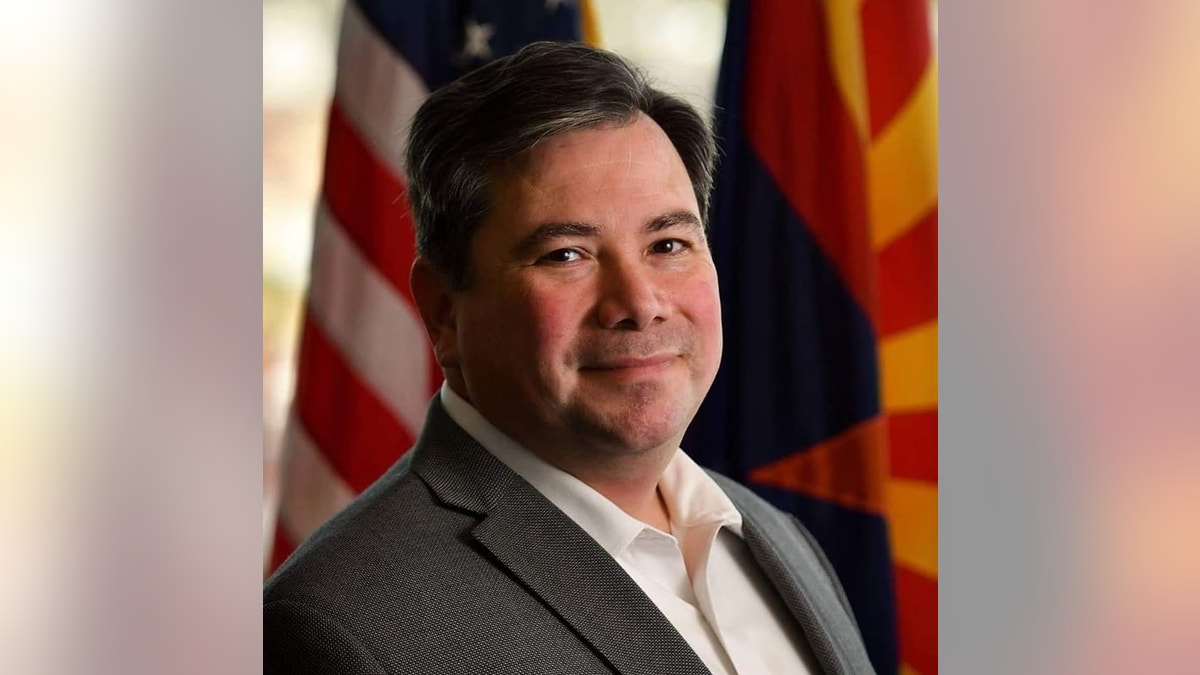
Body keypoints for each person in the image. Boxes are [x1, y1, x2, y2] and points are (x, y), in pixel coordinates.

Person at [264, 41, 874, 675]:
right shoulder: (345, 630)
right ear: (444, 311)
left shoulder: (776, 539)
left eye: (667, 243)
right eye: (565, 255)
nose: (639, 304)